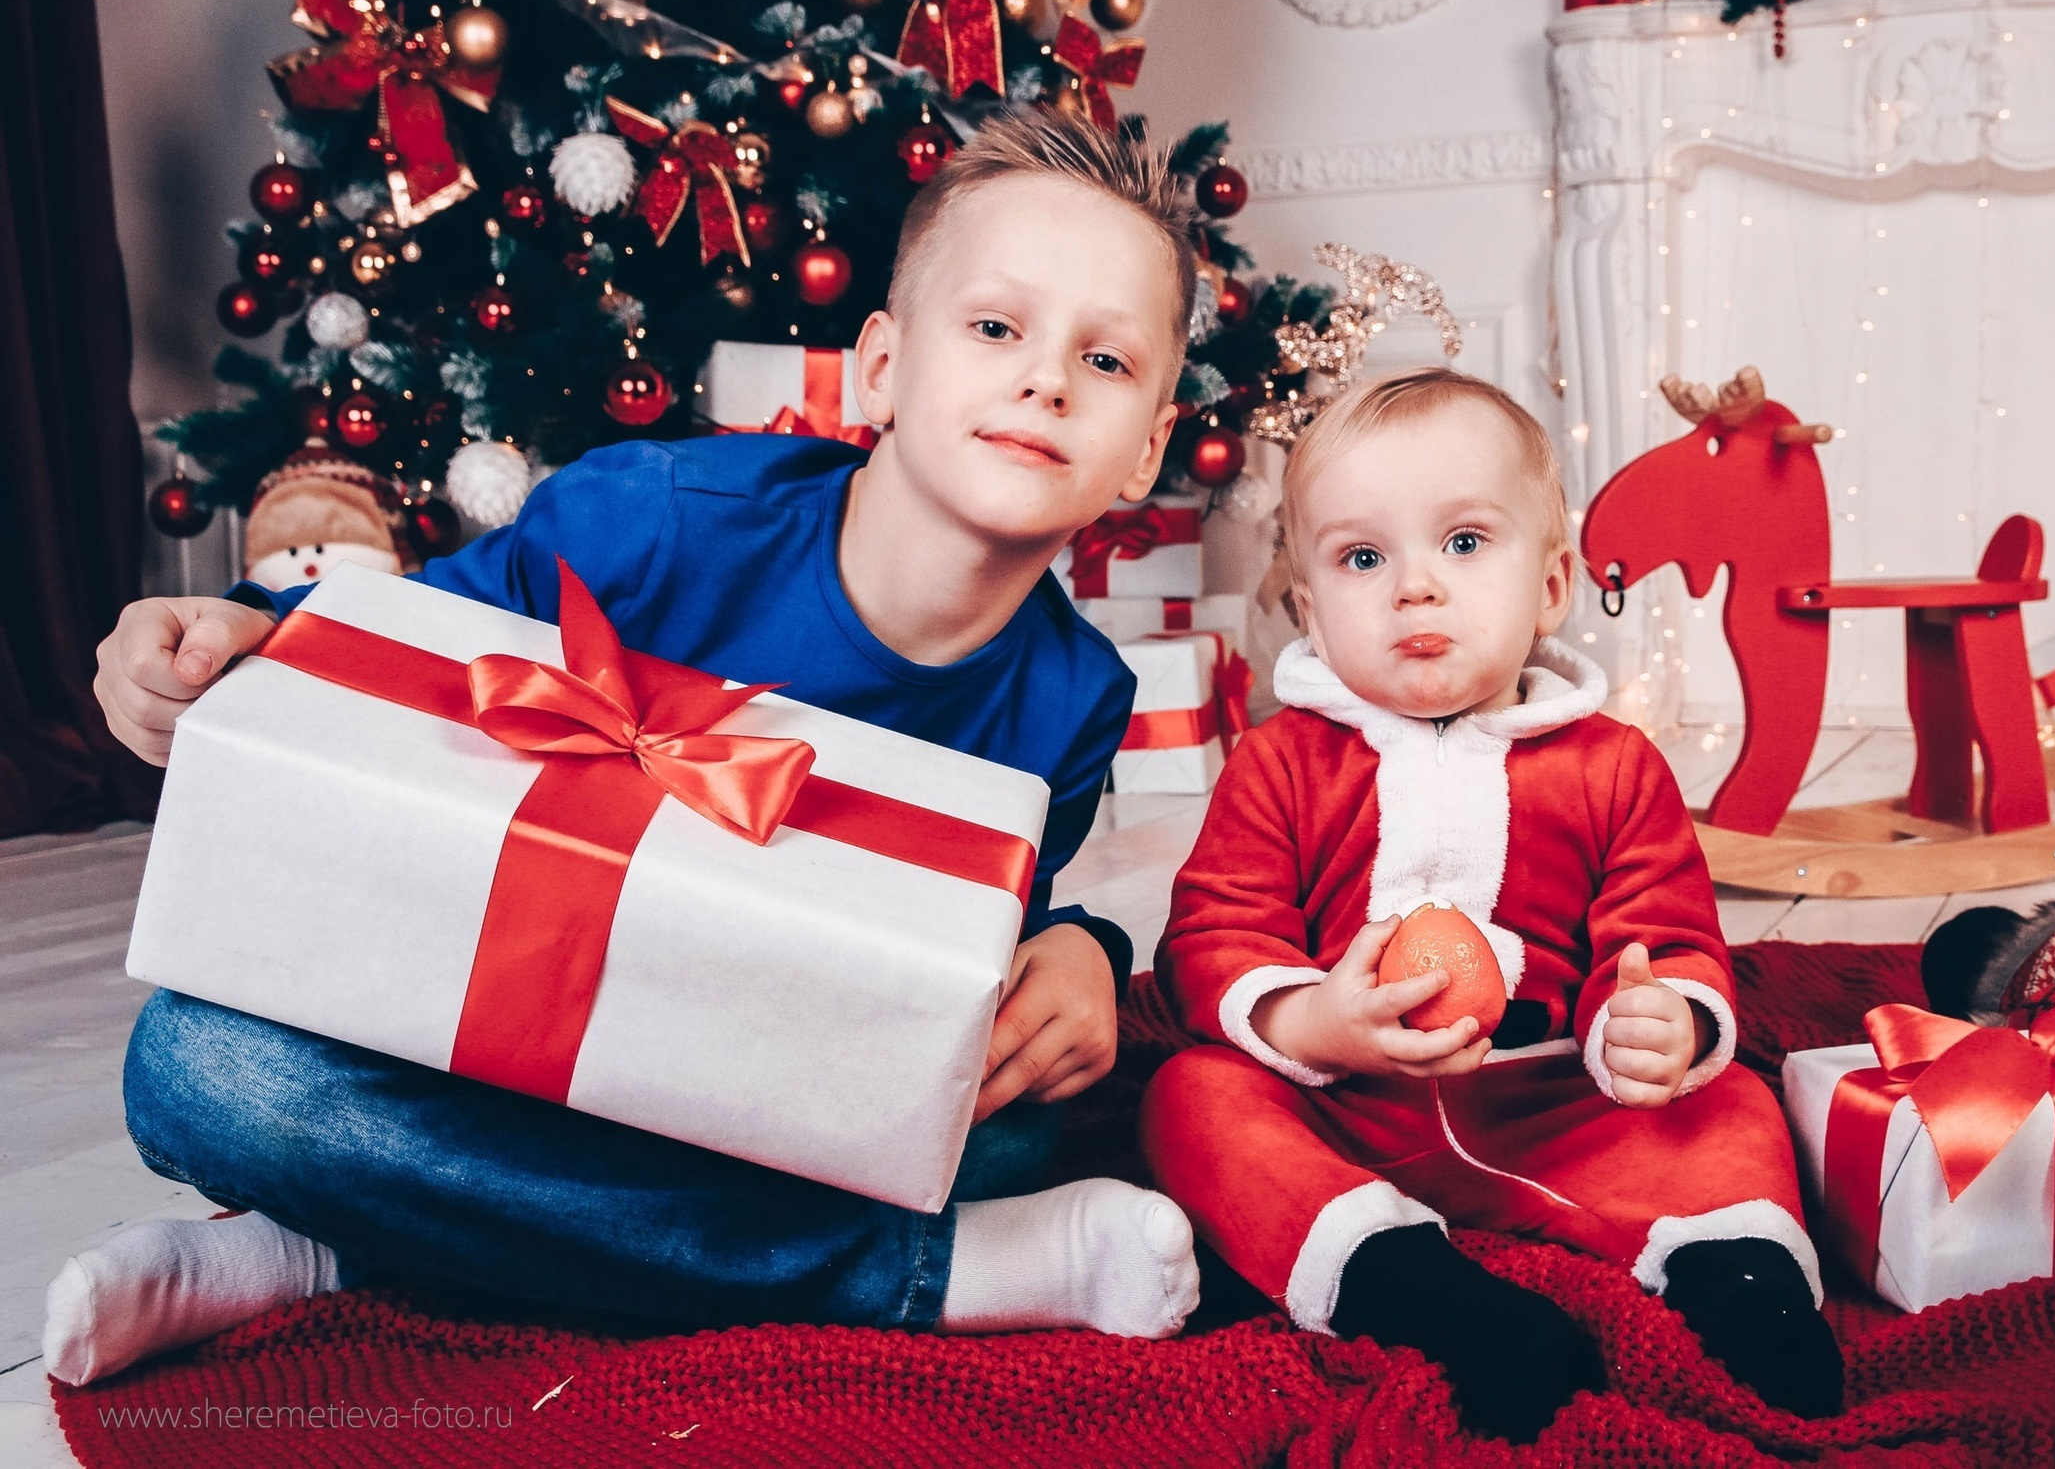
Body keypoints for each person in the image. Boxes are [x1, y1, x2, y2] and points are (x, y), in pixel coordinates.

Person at [51, 109, 1204, 1386]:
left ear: (1148, 448)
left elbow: (950, 980)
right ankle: (916, 1278)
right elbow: (405, 644)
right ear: (880, 366)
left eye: (1106, 363)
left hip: (738, 1082)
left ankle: (336, 1249)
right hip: (488, 1018)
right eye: (995, 328)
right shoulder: (651, 519)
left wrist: (1081, 949)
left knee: (1007, 1135)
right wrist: (231, 638)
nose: (1045, 379)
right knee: (197, 1069)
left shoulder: (1072, 700)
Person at [1139, 368, 1843, 1443]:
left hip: (1560, 1103)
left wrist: (1658, 1023)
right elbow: (1215, 932)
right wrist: (1306, 1020)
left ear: (1551, 584)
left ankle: (1741, 1285)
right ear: (1309, 609)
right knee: (1189, 1099)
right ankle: (1410, 1288)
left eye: (1464, 544)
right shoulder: (1282, 763)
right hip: (1343, 1112)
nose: (1414, 587)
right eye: (1362, 559)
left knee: (1733, 1103)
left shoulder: (1611, 765)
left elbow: (1665, 928)